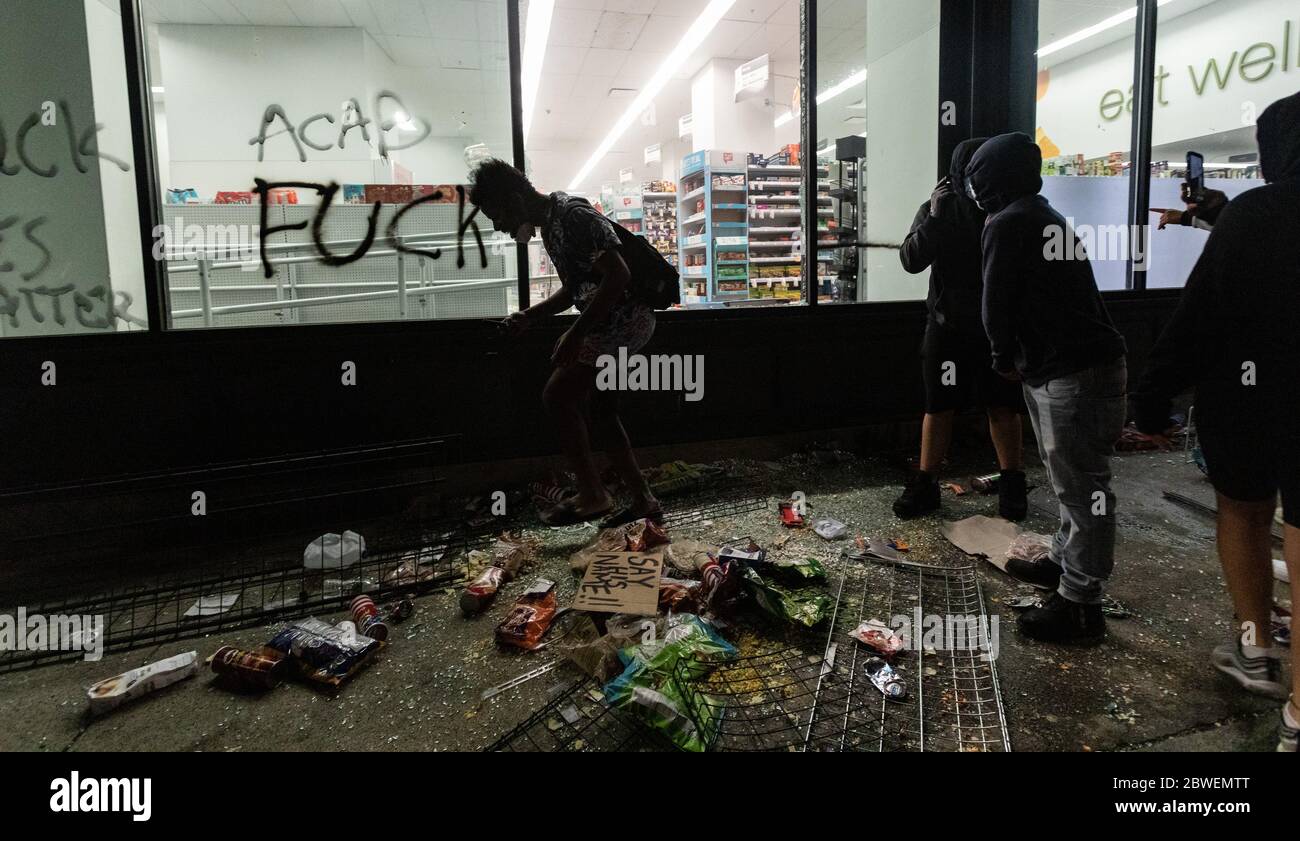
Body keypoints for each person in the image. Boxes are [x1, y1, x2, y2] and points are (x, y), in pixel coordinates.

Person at [1131, 91, 1300, 752]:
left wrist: (1153, 395)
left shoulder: (1258, 213)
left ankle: (1255, 648)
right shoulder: (1253, 212)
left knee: (1245, 510)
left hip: (1249, 394)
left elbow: (1201, 313)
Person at [965, 132, 1129, 644]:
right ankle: (1063, 563)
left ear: (990, 180)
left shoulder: (1008, 221)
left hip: (1071, 373)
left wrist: (1000, 356)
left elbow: (995, 301)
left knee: (1083, 490)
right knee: (1072, 482)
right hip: (1077, 367)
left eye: (978, 180)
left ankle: (1080, 605)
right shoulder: (1044, 215)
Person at [468, 159, 661, 527]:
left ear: (515, 198)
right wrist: (531, 316)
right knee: (602, 412)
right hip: (612, 324)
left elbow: (619, 275)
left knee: (557, 396)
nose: (499, 226)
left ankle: (593, 495)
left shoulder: (572, 216)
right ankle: (642, 501)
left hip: (623, 323)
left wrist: (577, 333)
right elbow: (578, 288)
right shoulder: (553, 225)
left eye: (498, 214)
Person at [894, 138, 1027, 521]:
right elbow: (911, 260)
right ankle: (928, 485)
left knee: (1000, 406)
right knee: (940, 405)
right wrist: (934, 218)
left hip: (991, 329)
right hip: (950, 327)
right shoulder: (942, 207)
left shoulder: (1002, 209)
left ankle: (1011, 485)